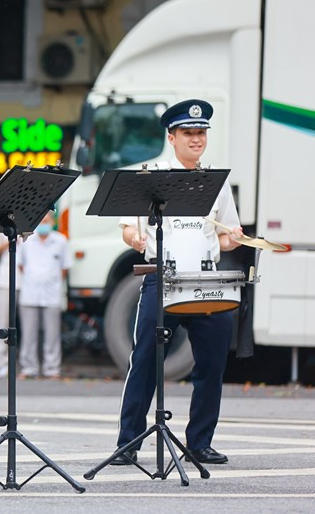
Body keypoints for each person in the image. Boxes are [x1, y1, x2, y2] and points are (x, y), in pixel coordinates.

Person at [111, 99, 242, 467]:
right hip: (162, 277)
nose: (197, 139)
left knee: (212, 364)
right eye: (188, 133)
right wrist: (137, 240)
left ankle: (200, 442)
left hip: (205, 279)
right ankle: (129, 441)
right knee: (146, 362)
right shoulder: (150, 176)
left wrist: (235, 236)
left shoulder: (216, 181)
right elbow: (127, 229)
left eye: (201, 133)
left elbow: (226, 239)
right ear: (172, 137)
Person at [17, 211, 71, 379]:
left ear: (52, 221)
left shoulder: (61, 241)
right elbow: (20, 265)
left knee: (52, 333)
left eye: (46, 220)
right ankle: (28, 368)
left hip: (52, 293)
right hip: (30, 291)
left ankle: (52, 368)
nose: (43, 223)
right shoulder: (26, 240)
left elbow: (65, 267)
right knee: (28, 333)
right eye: (40, 220)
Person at [0, 231, 21, 378]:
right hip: (5, 280)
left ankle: (27, 364)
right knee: (3, 324)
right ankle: (3, 364)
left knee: (28, 326)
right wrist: (11, 239)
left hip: (29, 281)